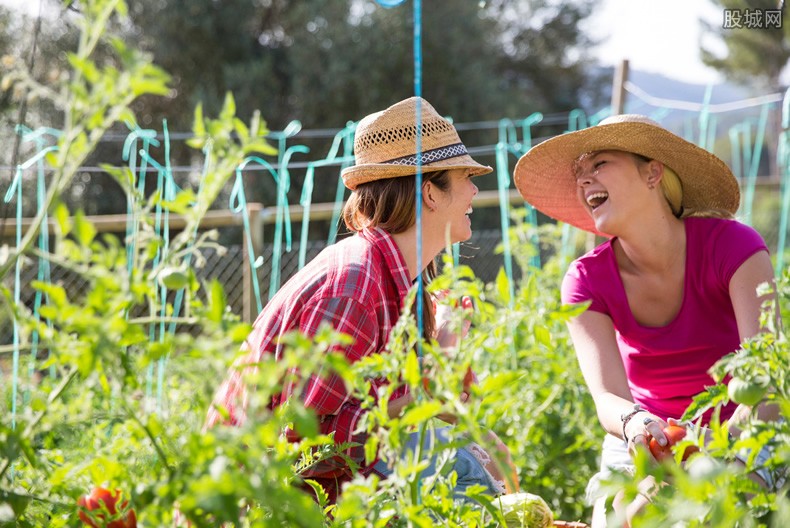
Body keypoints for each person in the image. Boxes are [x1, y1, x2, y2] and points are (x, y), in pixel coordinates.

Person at [206, 96, 516, 505]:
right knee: (449, 464)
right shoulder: (354, 286)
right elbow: (306, 445)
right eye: (465, 177)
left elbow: (408, 407)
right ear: (430, 193)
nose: (476, 189)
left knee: (463, 454)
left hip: (323, 491)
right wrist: (427, 396)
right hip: (265, 500)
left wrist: (443, 355)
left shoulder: (403, 281)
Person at [513, 114, 782, 527]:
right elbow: (607, 398)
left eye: (599, 164)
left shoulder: (733, 247)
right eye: (579, 174)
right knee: (621, 517)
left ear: (653, 172)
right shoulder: (585, 280)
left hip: (744, 428)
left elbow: (765, 381)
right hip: (644, 439)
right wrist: (636, 424)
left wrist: (703, 453)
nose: (584, 181)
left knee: (718, 512)